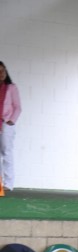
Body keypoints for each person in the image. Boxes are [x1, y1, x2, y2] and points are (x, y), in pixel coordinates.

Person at [0, 61, 22, 192]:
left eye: (3, 70)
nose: (2, 73)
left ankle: (8, 184)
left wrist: (11, 121)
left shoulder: (12, 88)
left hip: (6, 123)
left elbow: (18, 107)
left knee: (6, 152)